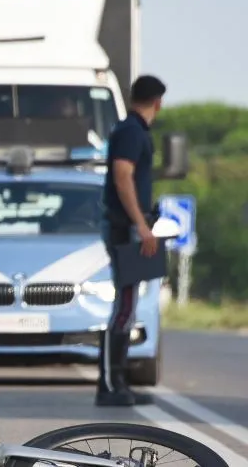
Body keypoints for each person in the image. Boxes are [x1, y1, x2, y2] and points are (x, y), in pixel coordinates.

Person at [96, 75, 166, 407]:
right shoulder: (131, 132)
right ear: (158, 102)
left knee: (128, 306)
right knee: (123, 308)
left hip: (129, 228)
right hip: (125, 229)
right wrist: (141, 225)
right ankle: (110, 385)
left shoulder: (132, 131)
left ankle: (118, 380)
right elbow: (123, 176)